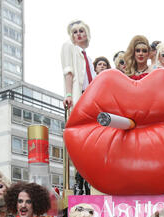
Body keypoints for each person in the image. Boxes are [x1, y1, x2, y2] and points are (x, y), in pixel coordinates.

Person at [61, 20, 96, 195]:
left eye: (81, 30)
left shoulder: (87, 56)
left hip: (90, 101)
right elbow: (69, 71)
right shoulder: (69, 47)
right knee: (80, 143)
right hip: (78, 97)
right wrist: (68, 94)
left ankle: (89, 181)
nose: (78, 34)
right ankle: (79, 184)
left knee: (90, 144)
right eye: (74, 32)